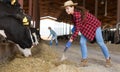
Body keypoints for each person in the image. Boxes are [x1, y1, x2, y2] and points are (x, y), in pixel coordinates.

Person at [62, 0, 111, 67]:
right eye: (65, 9)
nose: (66, 10)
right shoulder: (73, 15)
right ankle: (84, 60)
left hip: (95, 26)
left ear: (72, 7)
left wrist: (71, 39)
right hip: (86, 29)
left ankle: (108, 59)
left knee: (100, 43)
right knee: (82, 42)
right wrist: (74, 27)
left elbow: (78, 27)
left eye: (67, 8)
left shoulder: (77, 14)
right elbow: (77, 24)